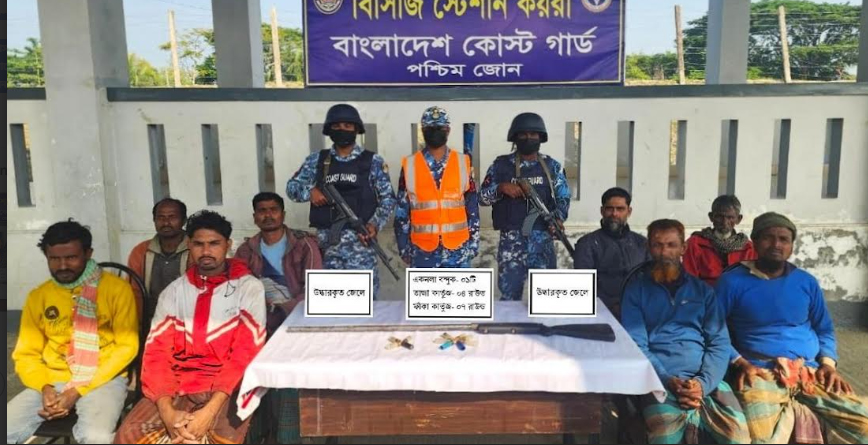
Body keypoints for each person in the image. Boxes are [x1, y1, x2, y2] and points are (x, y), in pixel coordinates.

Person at [115, 211, 266, 444]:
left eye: (214, 243)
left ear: (228, 245)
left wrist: (208, 413)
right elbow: (156, 354)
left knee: (214, 439)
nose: (206, 251)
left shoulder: (248, 288)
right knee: (128, 436)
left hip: (228, 387)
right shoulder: (174, 292)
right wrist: (167, 411)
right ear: (189, 245)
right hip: (177, 386)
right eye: (198, 244)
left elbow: (244, 354)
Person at [717, 212, 868, 444]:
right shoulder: (732, 281)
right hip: (759, 371)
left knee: (862, 425)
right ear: (754, 242)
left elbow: (824, 329)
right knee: (760, 437)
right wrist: (740, 362)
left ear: (791, 246)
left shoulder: (806, 282)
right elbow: (713, 330)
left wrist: (828, 365)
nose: (776, 245)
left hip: (811, 370)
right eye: (768, 237)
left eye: (784, 239)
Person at [8, 219, 139, 444]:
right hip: (53, 379)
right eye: (54, 259)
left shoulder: (117, 290)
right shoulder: (39, 296)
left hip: (103, 378)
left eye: (71, 258)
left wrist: (77, 390)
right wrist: (45, 387)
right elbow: (26, 354)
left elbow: (127, 347)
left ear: (88, 253)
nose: (62, 266)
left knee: (95, 437)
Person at [621, 219, 749, 444]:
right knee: (665, 438)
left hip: (706, 381)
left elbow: (718, 342)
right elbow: (636, 345)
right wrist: (668, 379)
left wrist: (702, 384)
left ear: (683, 248)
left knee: (737, 436)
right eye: (657, 245)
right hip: (658, 382)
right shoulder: (636, 291)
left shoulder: (703, 292)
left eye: (671, 245)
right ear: (649, 248)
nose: (664, 253)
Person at [287, 104, 396, 298]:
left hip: (361, 247)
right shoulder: (317, 161)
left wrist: (374, 224)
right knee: (331, 302)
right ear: (329, 129)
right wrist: (309, 191)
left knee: (365, 302)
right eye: (337, 126)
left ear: (356, 129)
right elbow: (292, 188)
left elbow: (388, 199)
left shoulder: (372, 161)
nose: (342, 129)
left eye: (348, 125)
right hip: (327, 248)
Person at [480, 112, 571, 301]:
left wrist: (558, 218)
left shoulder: (552, 166)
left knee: (546, 298)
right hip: (512, 243)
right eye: (523, 134)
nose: (528, 138)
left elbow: (563, 198)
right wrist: (501, 188)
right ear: (515, 137)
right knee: (509, 299)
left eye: (533, 134)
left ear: (541, 137)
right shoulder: (500, 166)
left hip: (543, 242)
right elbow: (482, 198)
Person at [394, 106, 480, 268]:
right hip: (422, 251)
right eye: (430, 128)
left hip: (458, 250)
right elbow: (402, 211)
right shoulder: (410, 165)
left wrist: (474, 242)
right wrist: (403, 247)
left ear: (448, 130)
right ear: (423, 130)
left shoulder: (463, 162)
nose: (435, 132)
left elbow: (472, 205)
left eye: (440, 128)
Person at [573, 187, 649, 318]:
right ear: (602, 211)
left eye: (620, 209)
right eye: (609, 209)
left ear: (629, 211)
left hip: (640, 311)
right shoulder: (587, 244)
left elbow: (651, 280)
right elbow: (583, 285)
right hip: (601, 313)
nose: (614, 214)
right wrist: (611, 305)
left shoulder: (642, 243)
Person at [128, 197, 192, 324]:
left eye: (172, 217)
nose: (166, 222)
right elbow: (134, 291)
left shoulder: (195, 248)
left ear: (184, 220)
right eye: (160, 217)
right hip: (151, 320)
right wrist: (139, 324)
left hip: (187, 320)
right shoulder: (141, 251)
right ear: (154, 220)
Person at [683, 195, 755, 286]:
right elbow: (689, 281)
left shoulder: (749, 248)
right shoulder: (695, 244)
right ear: (711, 217)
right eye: (719, 217)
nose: (724, 222)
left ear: (738, 219)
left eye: (730, 217)